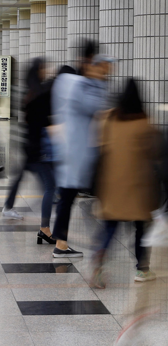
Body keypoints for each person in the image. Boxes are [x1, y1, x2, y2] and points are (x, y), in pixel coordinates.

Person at [90, 79, 160, 287]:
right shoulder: (144, 123)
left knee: (110, 227)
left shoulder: (108, 120)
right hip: (138, 188)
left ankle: (99, 261)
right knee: (141, 229)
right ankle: (142, 269)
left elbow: (100, 148)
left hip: (111, 186)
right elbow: (155, 154)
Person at [51, 54, 115, 258]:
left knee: (68, 198)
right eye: (103, 68)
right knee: (72, 197)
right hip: (80, 154)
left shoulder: (75, 86)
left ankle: (62, 242)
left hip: (80, 154)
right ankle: (68, 244)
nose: (107, 72)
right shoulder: (80, 87)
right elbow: (95, 109)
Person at [0, 58, 57, 245]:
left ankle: (10, 207)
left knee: (31, 180)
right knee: (49, 186)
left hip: (29, 146)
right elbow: (43, 123)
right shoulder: (39, 95)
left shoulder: (30, 93)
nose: (46, 71)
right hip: (37, 148)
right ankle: (44, 228)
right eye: (44, 68)